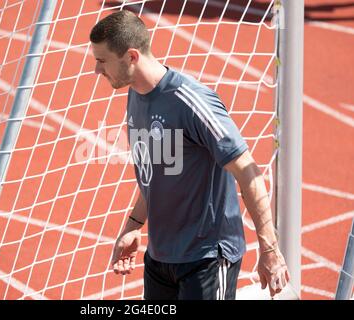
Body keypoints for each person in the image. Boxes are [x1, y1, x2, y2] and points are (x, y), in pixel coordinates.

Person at [89, 10, 289, 300]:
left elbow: (247, 170)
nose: (96, 70)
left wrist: (270, 250)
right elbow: (158, 173)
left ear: (131, 56)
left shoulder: (191, 101)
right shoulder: (135, 95)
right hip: (160, 258)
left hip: (205, 257)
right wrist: (133, 226)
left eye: (102, 60)